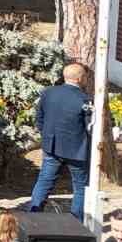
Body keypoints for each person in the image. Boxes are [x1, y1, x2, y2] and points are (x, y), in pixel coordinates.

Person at [30, 62, 92, 221]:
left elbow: (40, 119)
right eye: (85, 76)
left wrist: (47, 136)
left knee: (44, 181)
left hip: (52, 146)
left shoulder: (48, 92)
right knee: (80, 187)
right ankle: (76, 221)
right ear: (79, 78)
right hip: (77, 150)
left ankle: (33, 216)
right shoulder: (84, 100)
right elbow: (90, 126)